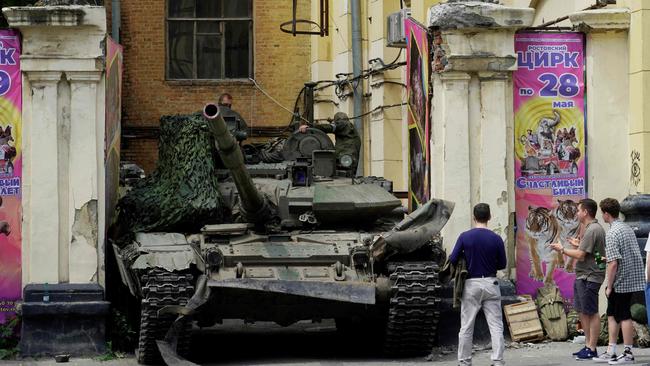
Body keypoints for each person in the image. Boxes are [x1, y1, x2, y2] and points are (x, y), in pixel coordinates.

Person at [449, 203, 507, 366]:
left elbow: (452, 259)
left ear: (473, 217)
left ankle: (464, 361)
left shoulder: (465, 237)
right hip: (491, 283)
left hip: (471, 284)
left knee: (466, 326)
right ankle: (497, 361)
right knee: (496, 326)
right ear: (489, 217)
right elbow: (502, 264)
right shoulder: (496, 238)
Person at [550, 198, 606, 361]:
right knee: (582, 311)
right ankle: (588, 345)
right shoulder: (590, 229)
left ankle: (592, 347)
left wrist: (563, 249)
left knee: (591, 312)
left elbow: (581, 255)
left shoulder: (593, 229)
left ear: (586, 212)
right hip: (583, 275)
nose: (576, 213)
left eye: (579, 210)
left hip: (590, 276)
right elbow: (594, 253)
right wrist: (577, 244)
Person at [592, 198, 644, 364]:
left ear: (606, 214)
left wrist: (609, 285)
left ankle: (628, 352)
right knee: (612, 314)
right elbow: (624, 254)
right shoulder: (626, 227)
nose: (602, 216)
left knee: (623, 315)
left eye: (602, 213)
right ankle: (611, 350)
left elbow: (613, 264)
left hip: (621, 280)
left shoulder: (613, 233)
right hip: (631, 276)